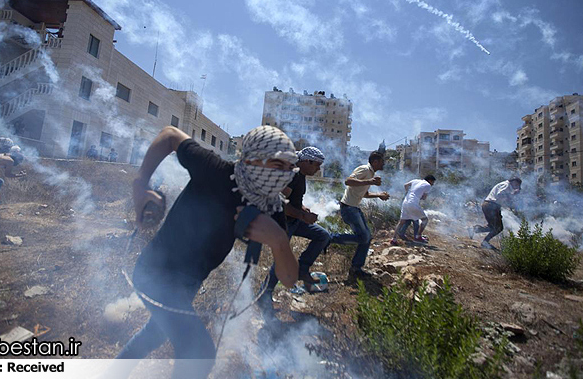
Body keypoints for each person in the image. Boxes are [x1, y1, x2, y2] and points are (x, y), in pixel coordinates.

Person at [116, 125, 299, 379]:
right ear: (251, 158)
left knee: (154, 334)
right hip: (154, 273)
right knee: (199, 352)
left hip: (187, 285)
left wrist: (279, 241)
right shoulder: (216, 172)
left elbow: (289, 280)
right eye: (278, 165)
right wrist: (140, 184)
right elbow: (170, 135)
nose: (285, 175)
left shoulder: (269, 206)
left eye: (290, 168)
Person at [261, 146, 332, 306]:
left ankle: (302, 269)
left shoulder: (300, 173)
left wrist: (302, 209)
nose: (318, 169)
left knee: (323, 236)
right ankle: (264, 296)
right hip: (283, 223)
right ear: (307, 161)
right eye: (317, 165)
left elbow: (292, 199)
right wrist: (302, 215)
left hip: (294, 221)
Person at [331, 151, 389, 278]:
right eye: (381, 161)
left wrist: (379, 195)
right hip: (348, 208)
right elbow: (348, 181)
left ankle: (356, 268)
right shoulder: (364, 169)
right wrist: (371, 181)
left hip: (354, 208)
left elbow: (365, 194)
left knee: (367, 237)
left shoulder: (371, 174)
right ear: (375, 162)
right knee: (364, 237)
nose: (383, 164)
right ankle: (329, 238)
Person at [471, 177, 523, 250]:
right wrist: (512, 194)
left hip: (490, 205)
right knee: (498, 228)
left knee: (493, 227)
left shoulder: (506, 185)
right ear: (514, 182)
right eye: (517, 184)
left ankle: (474, 230)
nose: (516, 186)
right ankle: (485, 242)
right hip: (491, 206)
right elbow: (500, 196)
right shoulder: (506, 185)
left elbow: (503, 199)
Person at [391, 175, 436, 244]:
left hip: (405, 202)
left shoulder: (415, 180)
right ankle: (418, 236)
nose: (433, 184)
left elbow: (405, 185)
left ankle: (394, 239)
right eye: (433, 182)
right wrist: (419, 197)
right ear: (430, 180)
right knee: (425, 219)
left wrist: (408, 192)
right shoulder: (428, 185)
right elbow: (424, 198)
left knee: (401, 222)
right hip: (413, 203)